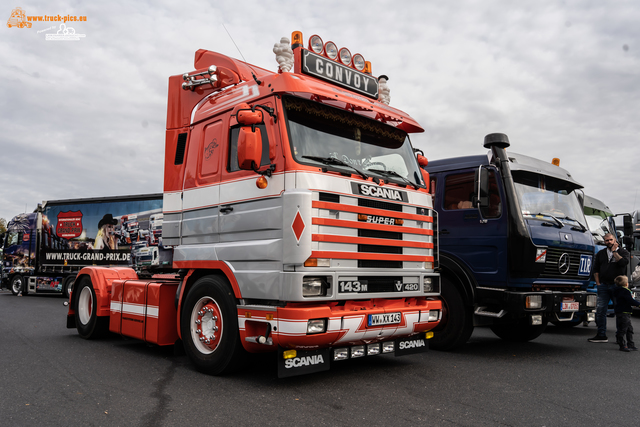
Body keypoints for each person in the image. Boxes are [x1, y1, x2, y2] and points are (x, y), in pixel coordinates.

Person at [588, 233, 630, 343]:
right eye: (607, 240)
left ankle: (619, 337)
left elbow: (623, 263)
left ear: (615, 240)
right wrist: (598, 283)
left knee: (619, 311)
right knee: (601, 310)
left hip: (618, 286)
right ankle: (601, 335)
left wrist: (615, 252)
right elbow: (596, 269)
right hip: (603, 286)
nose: (609, 242)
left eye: (611, 240)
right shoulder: (601, 253)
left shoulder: (622, 252)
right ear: (604, 241)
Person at [613, 275, 640, 352]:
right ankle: (623, 344)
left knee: (628, 328)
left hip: (621, 312)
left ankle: (630, 343)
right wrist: (638, 304)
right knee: (624, 329)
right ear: (626, 284)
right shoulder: (625, 291)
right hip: (624, 312)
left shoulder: (617, 291)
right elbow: (630, 300)